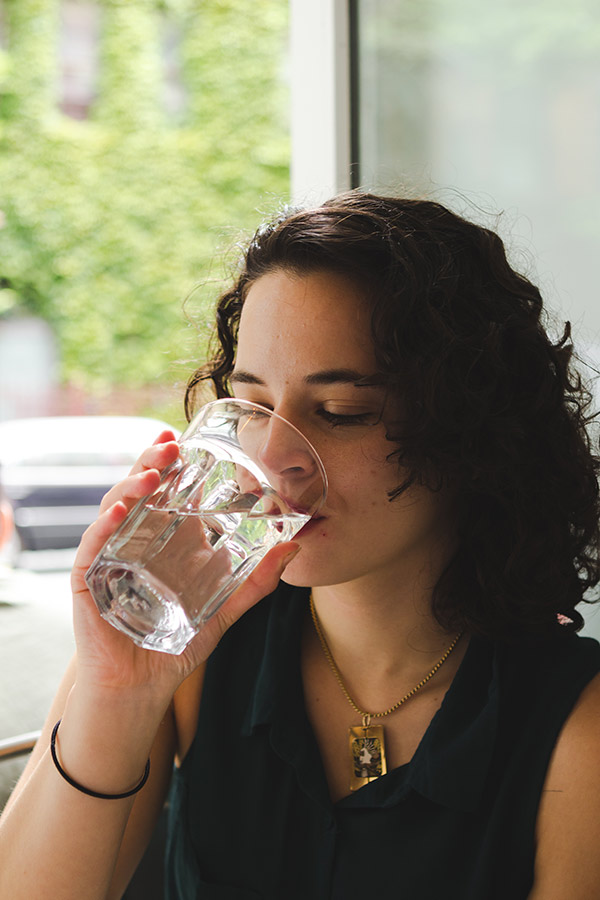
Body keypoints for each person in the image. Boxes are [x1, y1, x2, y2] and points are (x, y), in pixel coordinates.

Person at [1, 191, 600, 900]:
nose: (275, 453)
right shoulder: (186, 649)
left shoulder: (574, 725)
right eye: (252, 401)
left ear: (472, 435)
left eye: (340, 412)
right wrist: (115, 691)